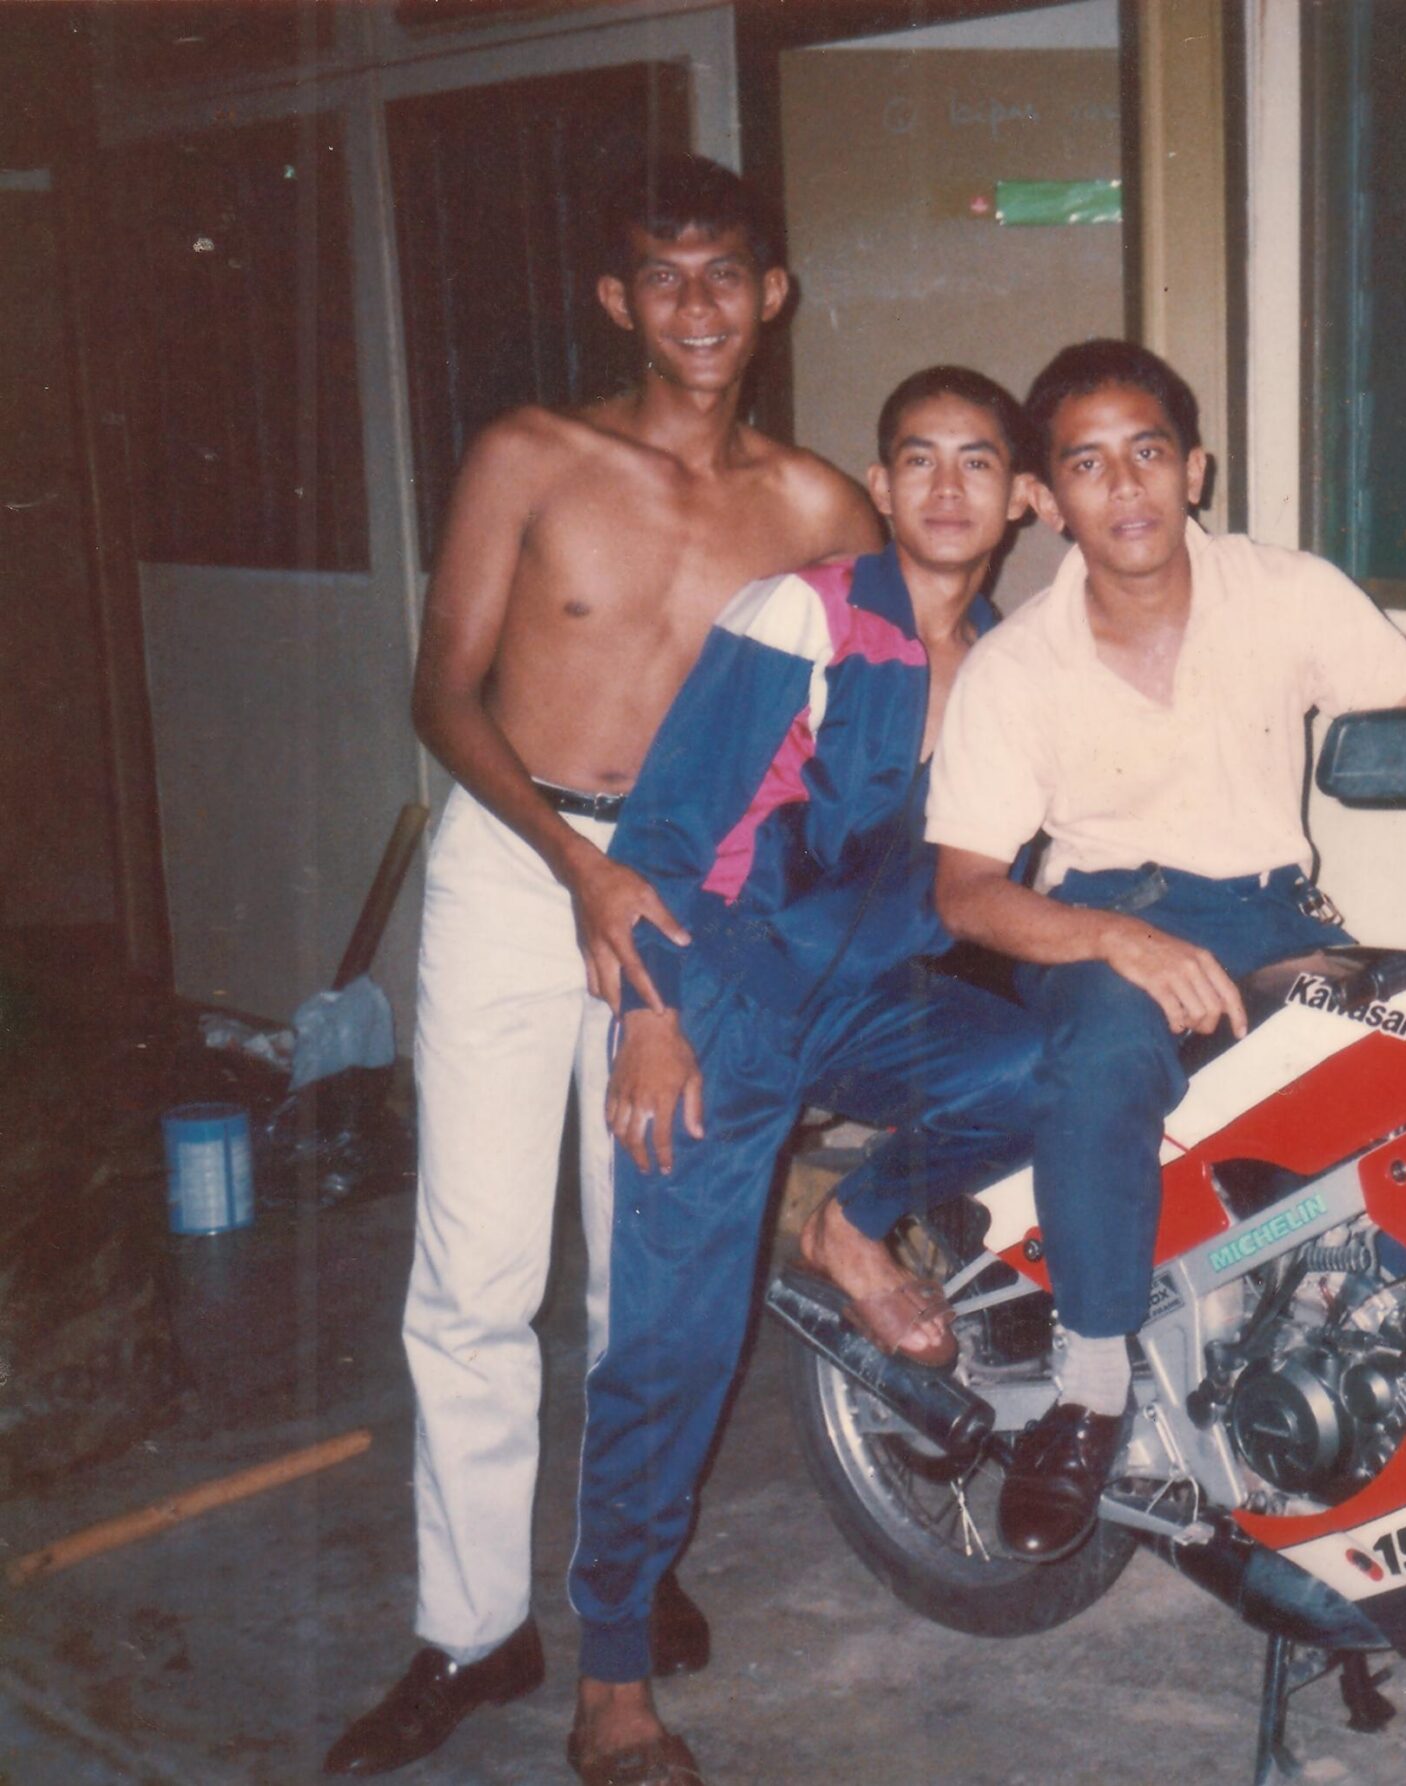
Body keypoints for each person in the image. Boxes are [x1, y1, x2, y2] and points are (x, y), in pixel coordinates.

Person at [325, 156, 881, 1778]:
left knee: (655, 1274)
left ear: (773, 294)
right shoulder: (532, 455)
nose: (698, 306)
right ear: (619, 300)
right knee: (476, 1273)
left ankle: (624, 1574)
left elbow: (860, 734)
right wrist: (580, 868)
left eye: (727, 274)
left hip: (693, 902)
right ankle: (471, 1628)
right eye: (664, 276)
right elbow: (443, 693)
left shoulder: (820, 511)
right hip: (522, 865)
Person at [924, 339, 1406, 1560]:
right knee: (1106, 1060)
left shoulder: (1288, 590)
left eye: (1148, 452)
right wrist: (1114, 938)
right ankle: (1089, 1389)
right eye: (1089, 465)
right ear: (1046, 500)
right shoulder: (1015, 667)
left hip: (1273, 920)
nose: (1126, 487)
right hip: (1102, 921)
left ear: (1195, 468)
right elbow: (964, 891)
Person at [565, 368, 1047, 1786]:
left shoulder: (1016, 666)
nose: (947, 486)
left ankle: (849, 1222)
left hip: (869, 1001)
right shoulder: (804, 614)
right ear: (881, 487)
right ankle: (610, 1681)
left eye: (979, 460)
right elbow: (665, 829)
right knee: (672, 1341)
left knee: (1041, 1067)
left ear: (1022, 497)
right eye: (919, 459)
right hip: (715, 994)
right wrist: (651, 1018)